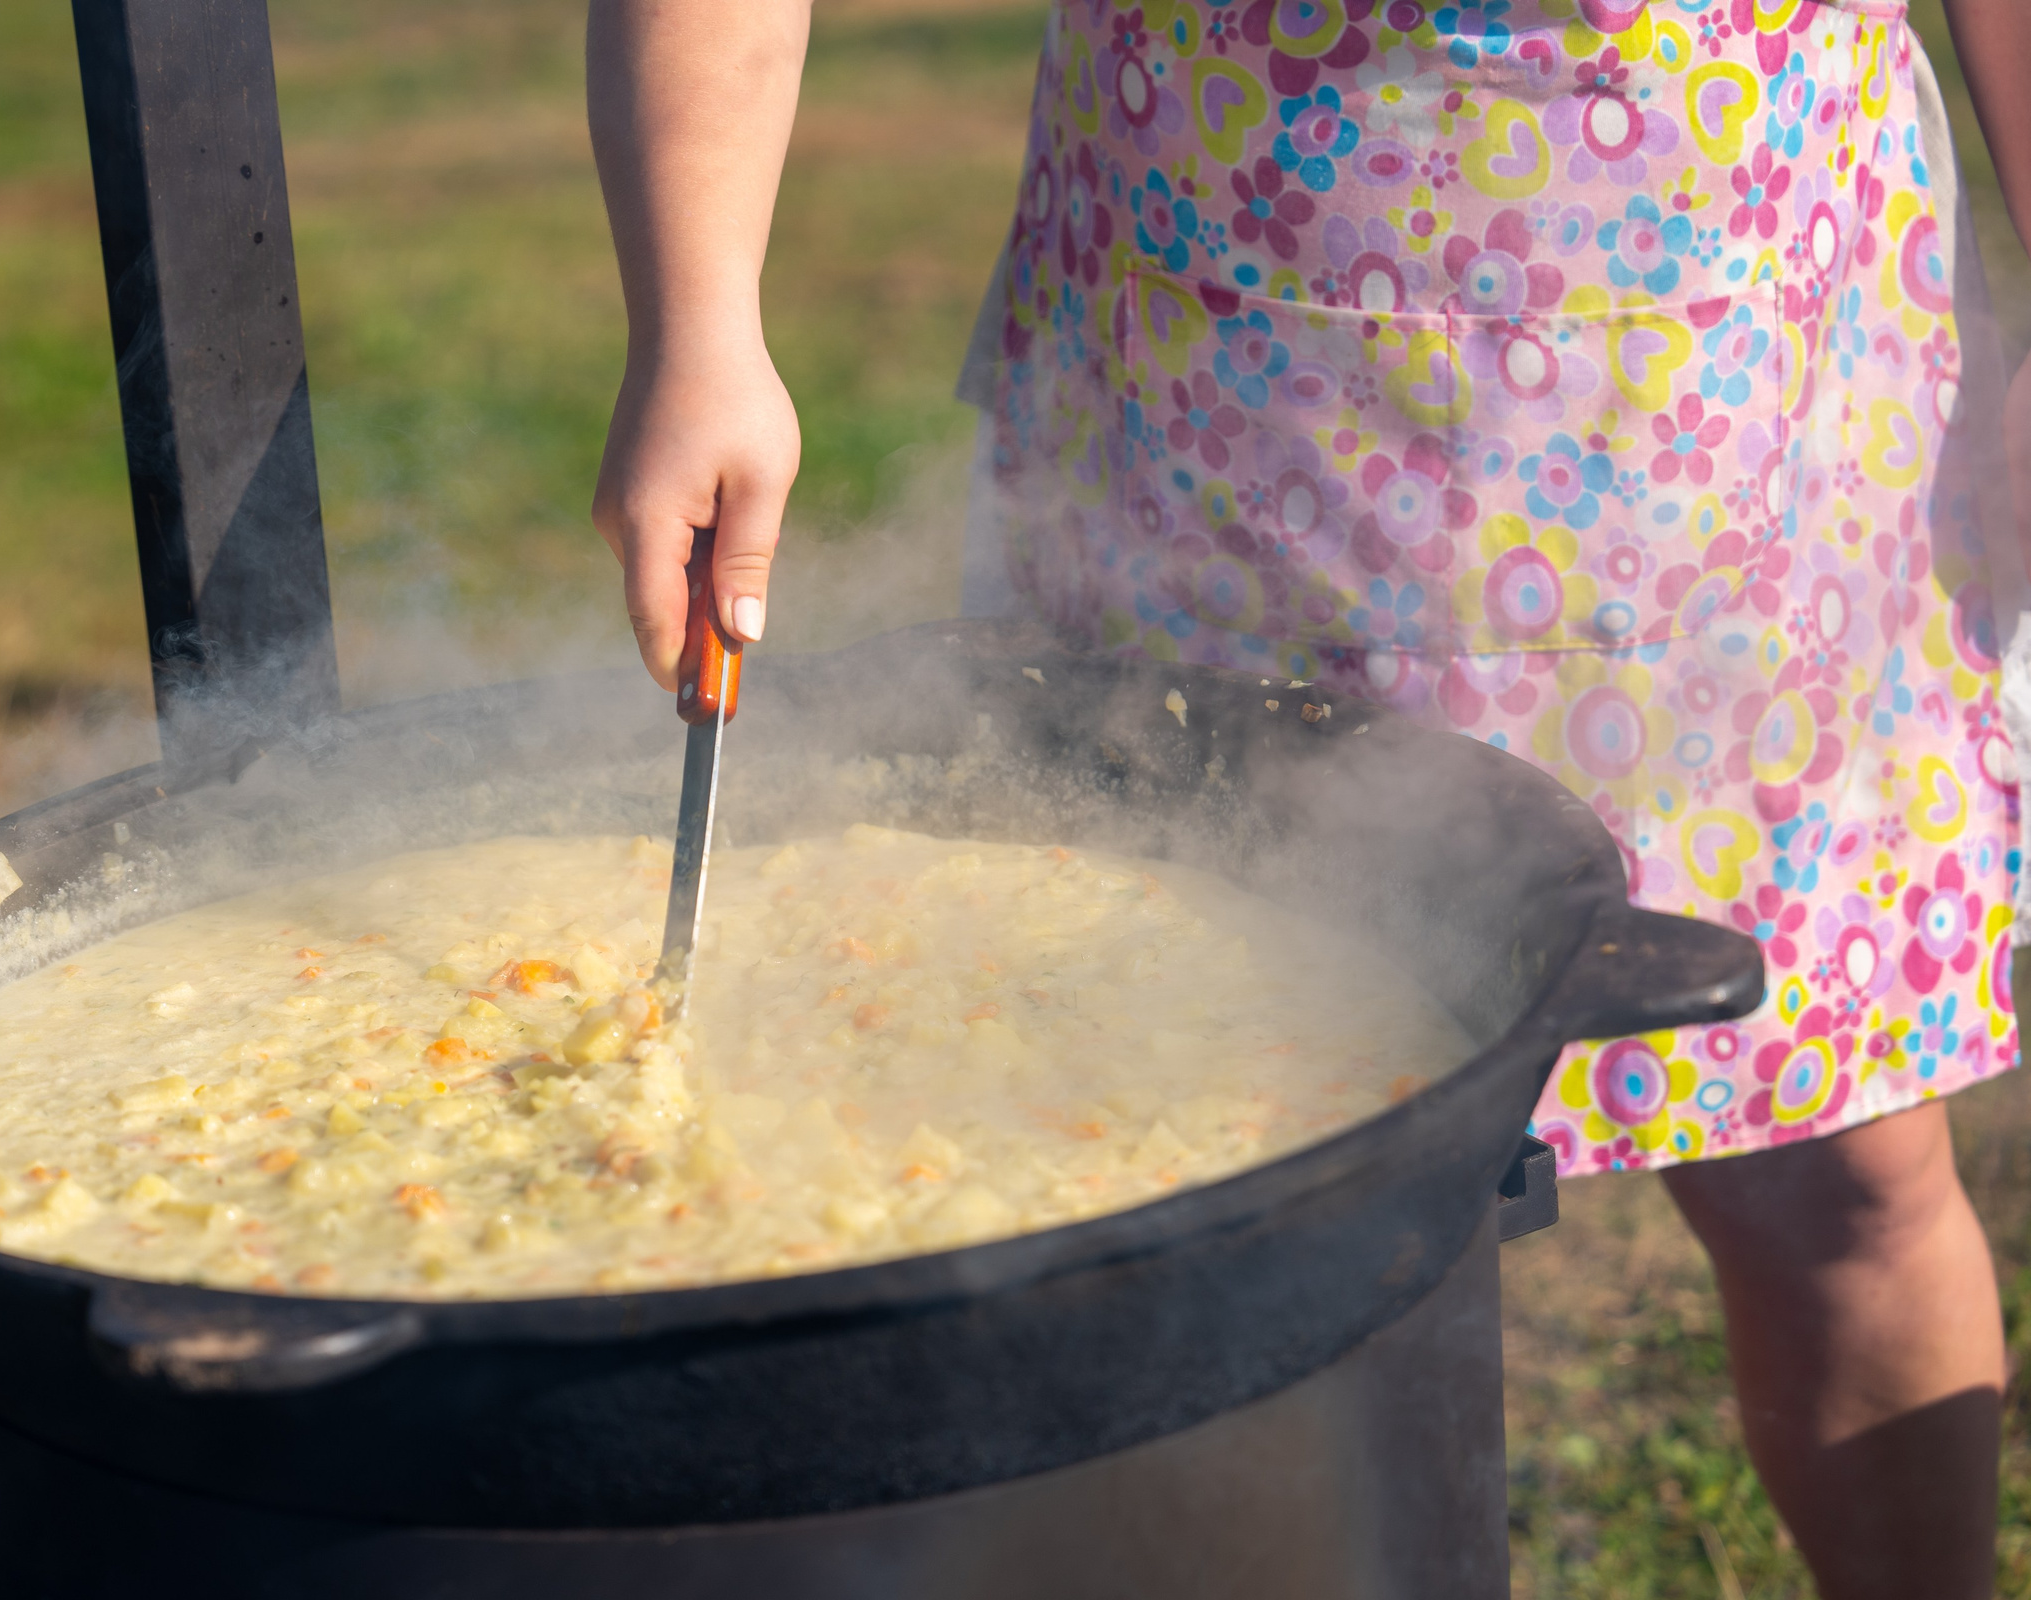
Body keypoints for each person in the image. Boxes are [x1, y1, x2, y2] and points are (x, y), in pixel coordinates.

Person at [588, 0, 2031, 1593]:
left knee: (1840, 1169)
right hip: (1215, 336)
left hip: (1740, 318)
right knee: (1167, 1154)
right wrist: (697, 320)